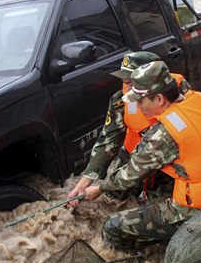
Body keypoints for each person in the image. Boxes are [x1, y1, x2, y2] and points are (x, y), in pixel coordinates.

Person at [81, 61, 201, 250]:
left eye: (141, 101)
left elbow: (128, 177)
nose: (138, 107)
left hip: (198, 208)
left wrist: (99, 188)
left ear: (160, 99)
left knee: (112, 226)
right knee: (153, 198)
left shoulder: (164, 134)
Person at [66, 51, 190, 207]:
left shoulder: (176, 92)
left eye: (131, 82)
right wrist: (86, 180)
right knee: (111, 201)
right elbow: (108, 141)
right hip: (133, 156)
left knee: (157, 208)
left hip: (166, 162)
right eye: (125, 82)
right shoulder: (121, 101)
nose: (127, 87)